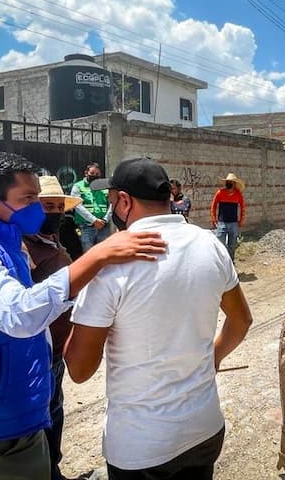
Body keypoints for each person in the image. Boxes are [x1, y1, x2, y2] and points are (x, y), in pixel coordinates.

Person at [0, 152, 166, 480]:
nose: (39, 208)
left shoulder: (1, 240)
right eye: (29, 199)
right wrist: (98, 257)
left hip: (2, 404)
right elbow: (18, 314)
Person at [64, 157, 253, 480]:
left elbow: (80, 370)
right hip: (204, 429)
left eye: (111, 203)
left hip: (142, 446)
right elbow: (241, 321)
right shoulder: (209, 244)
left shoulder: (112, 262)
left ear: (124, 201)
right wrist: (213, 358)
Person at [23, 176, 81, 480]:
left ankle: (52, 468)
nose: (56, 213)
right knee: (43, 415)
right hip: (37, 350)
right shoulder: (22, 247)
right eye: (49, 207)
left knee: (54, 410)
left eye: (60, 207)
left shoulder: (52, 240)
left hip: (56, 348)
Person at [70, 163, 112, 251]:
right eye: (92, 173)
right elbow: (77, 206)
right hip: (86, 227)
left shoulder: (105, 187)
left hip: (103, 227)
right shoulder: (78, 186)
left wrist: (105, 219)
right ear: (86, 173)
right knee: (88, 254)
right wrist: (94, 220)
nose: (94, 176)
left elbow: (112, 204)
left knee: (105, 253)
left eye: (97, 174)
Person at [209, 173, 246, 261]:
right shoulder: (220, 192)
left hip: (234, 223)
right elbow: (213, 207)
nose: (229, 183)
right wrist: (214, 219)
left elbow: (243, 207)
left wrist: (241, 220)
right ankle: (222, 263)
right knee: (220, 245)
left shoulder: (238, 194)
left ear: (234, 183)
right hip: (221, 223)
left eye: (231, 182)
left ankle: (231, 263)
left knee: (232, 246)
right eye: (227, 181)